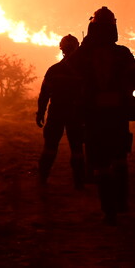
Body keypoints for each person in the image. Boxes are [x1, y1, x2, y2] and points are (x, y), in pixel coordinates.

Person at [71, 6, 135, 224]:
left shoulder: (84, 54)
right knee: (119, 158)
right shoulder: (123, 53)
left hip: (94, 115)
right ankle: (122, 203)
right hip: (118, 115)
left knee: (102, 163)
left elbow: (71, 67)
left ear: (92, 27)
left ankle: (109, 211)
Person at [36, 34, 85, 188]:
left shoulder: (54, 70)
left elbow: (44, 94)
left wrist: (40, 113)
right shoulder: (84, 72)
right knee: (77, 149)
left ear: (61, 49)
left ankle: (42, 179)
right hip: (76, 114)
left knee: (50, 148)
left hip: (56, 113)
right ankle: (79, 182)